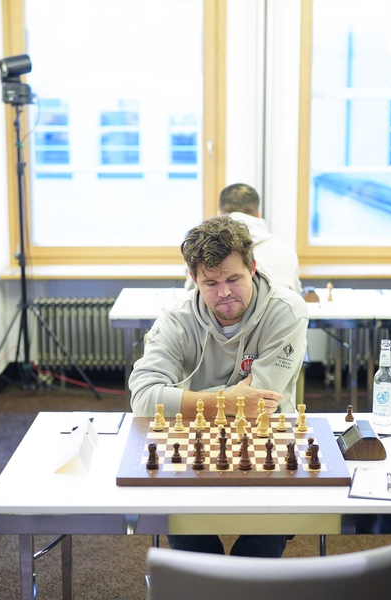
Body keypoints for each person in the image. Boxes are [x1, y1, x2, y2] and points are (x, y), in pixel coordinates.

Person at [130, 214, 308, 557]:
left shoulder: (287, 310)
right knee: (187, 534)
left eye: (233, 278)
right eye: (211, 283)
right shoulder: (176, 318)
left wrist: (181, 399)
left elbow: (260, 403)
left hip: (267, 440)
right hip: (192, 441)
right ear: (193, 278)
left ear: (253, 266)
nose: (224, 292)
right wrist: (227, 400)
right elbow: (141, 399)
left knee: (266, 536)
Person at [184, 183, 302, 293]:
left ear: (219, 214)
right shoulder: (287, 252)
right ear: (258, 214)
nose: (225, 293)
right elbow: (295, 296)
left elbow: (191, 294)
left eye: (233, 279)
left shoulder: (201, 251)